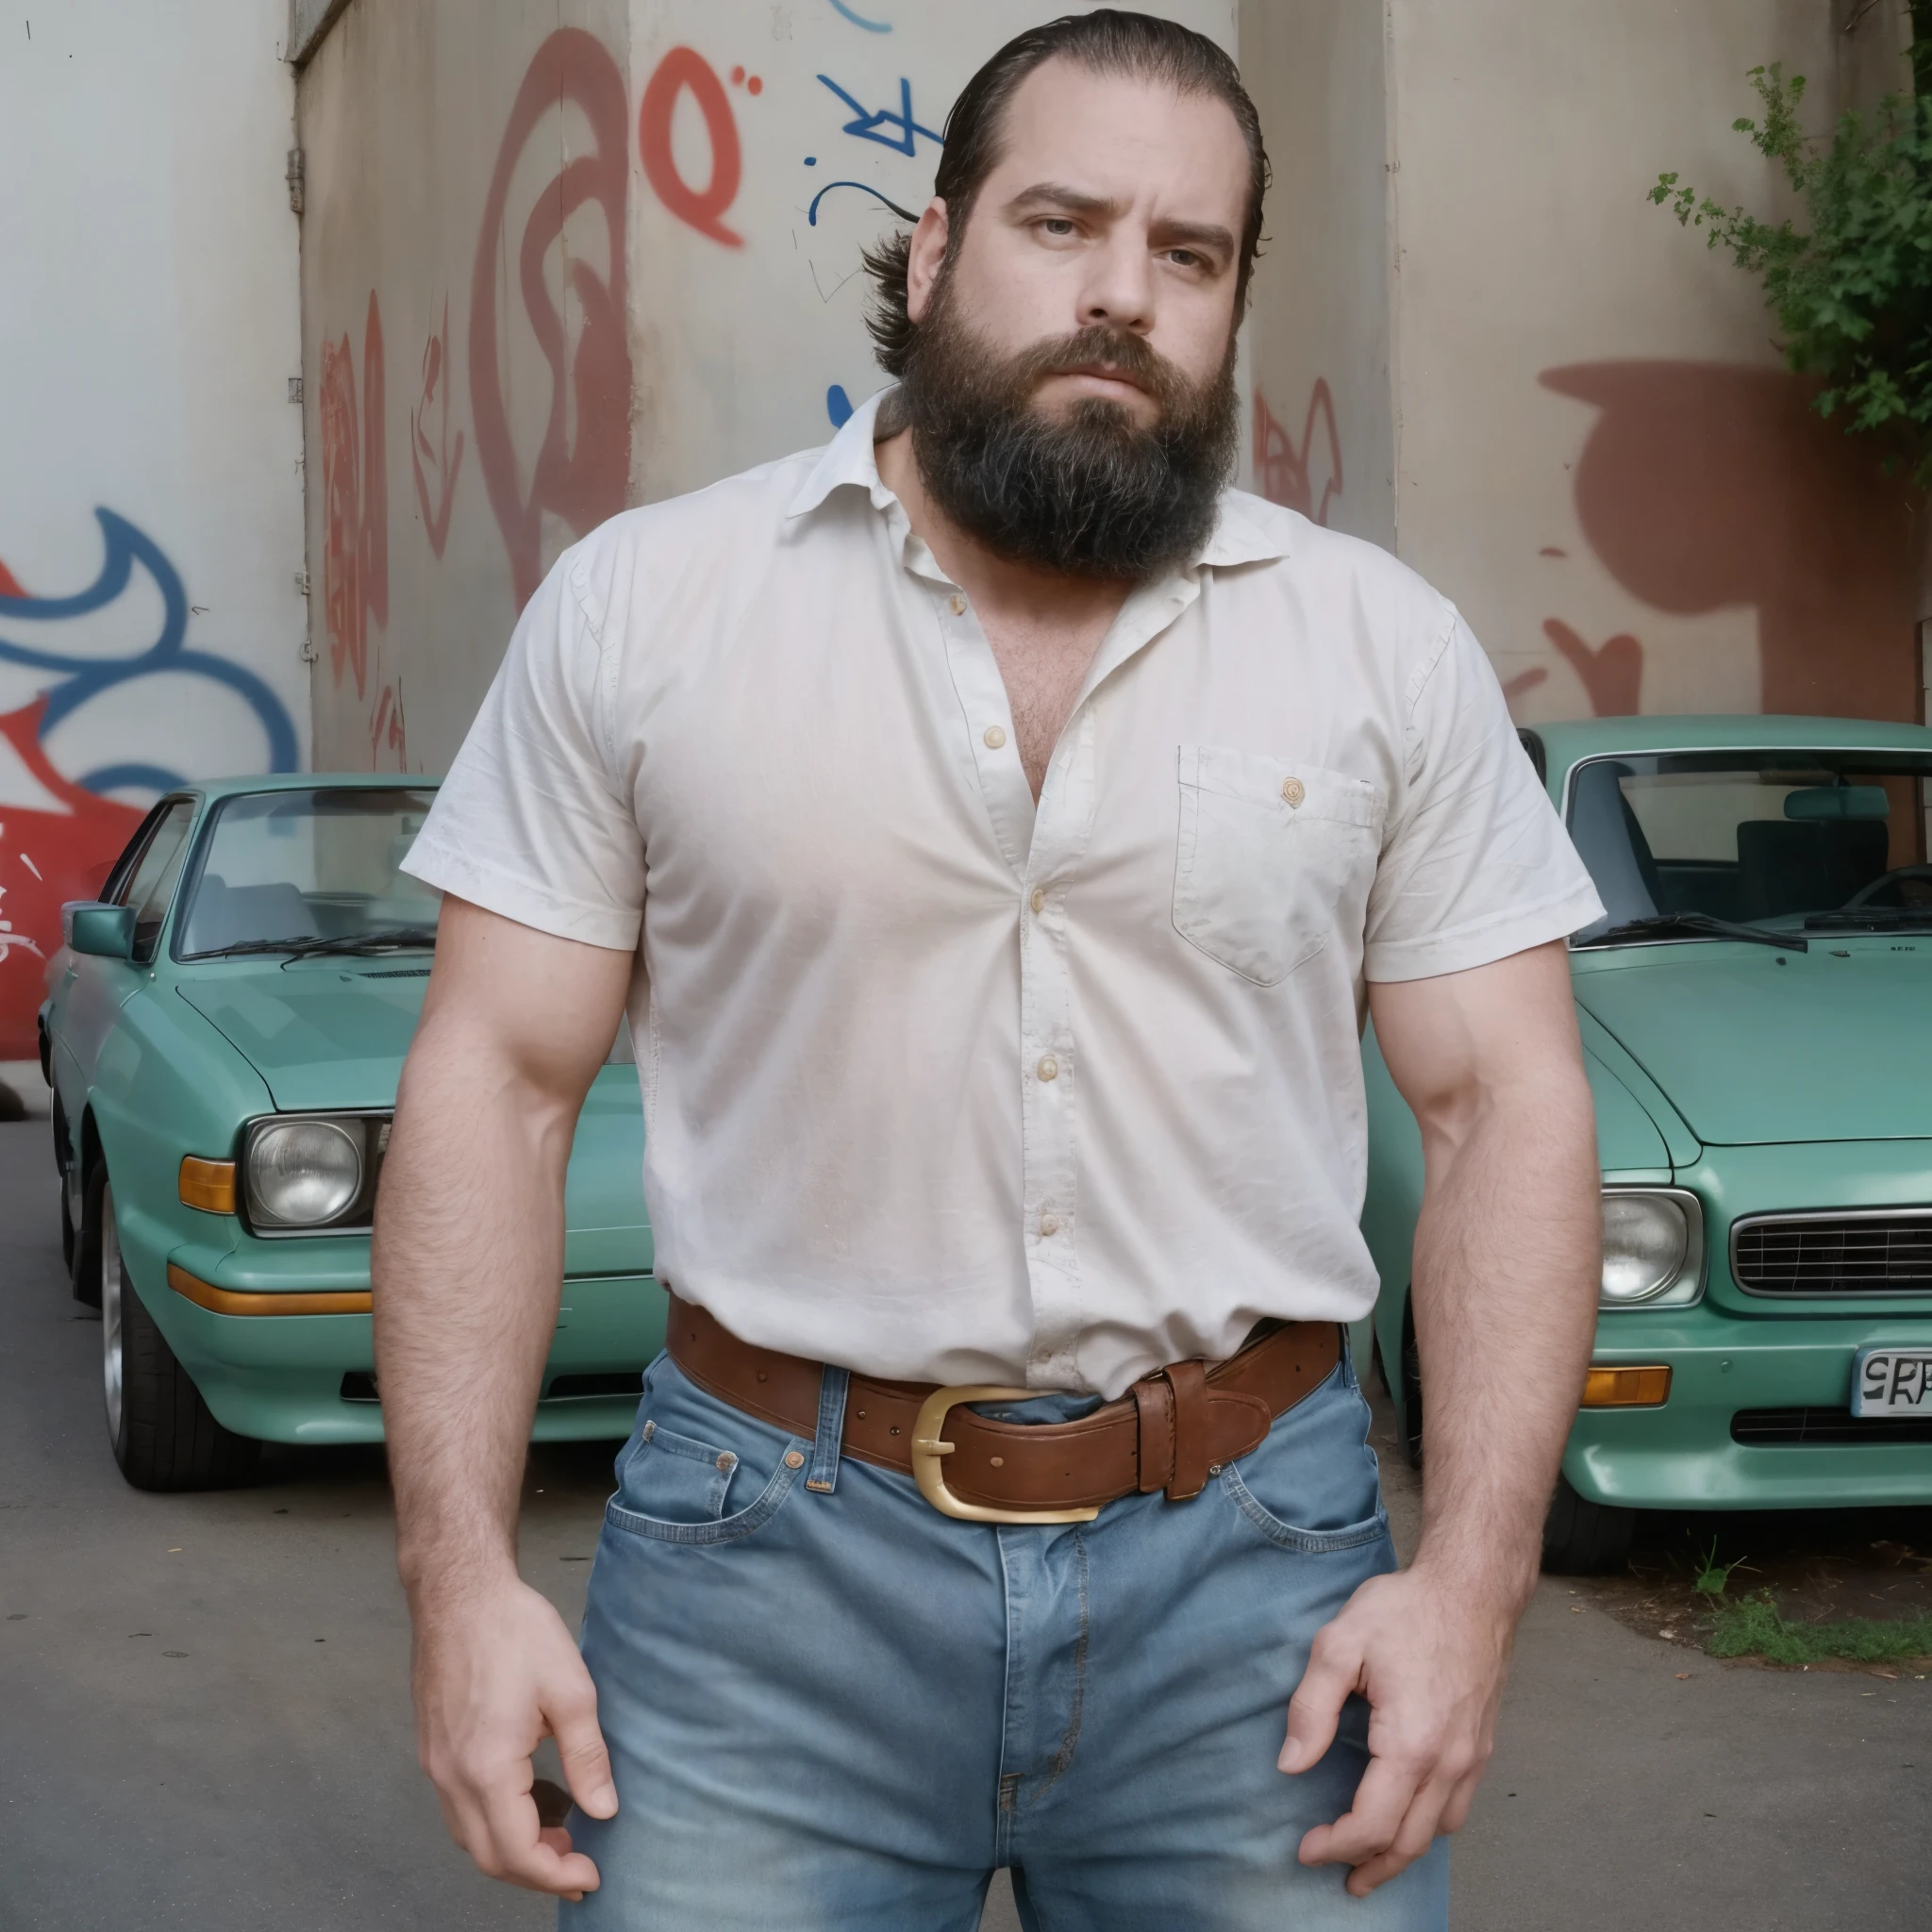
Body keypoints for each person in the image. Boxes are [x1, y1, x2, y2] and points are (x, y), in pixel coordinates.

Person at [374, 12, 1606, 1928]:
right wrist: (458, 1584)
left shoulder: (1380, 648)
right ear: (934, 249)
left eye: (1186, 255)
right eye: (1061, 222)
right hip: (761, 1575)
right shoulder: (647, 608)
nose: (1121, 292)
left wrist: (1472, 1583)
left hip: (1257, 1590)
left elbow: (1505, 1102)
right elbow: (495, 1088)